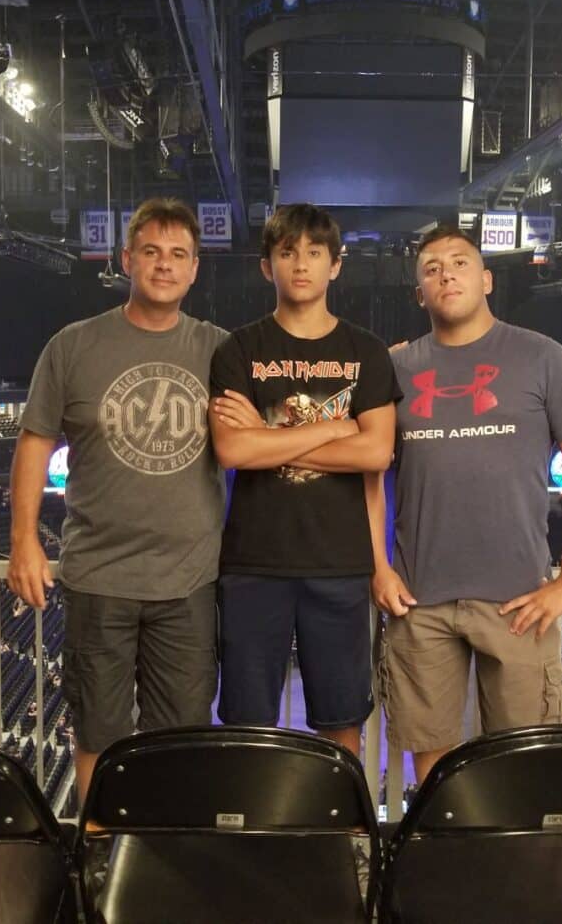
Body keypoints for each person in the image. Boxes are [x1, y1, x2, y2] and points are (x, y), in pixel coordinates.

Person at [372, 226, 562, 783]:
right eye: (431, 268)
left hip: (517, 601)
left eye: (459, 263)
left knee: (520, 764)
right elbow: (368, 474)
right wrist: (379, 567)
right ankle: (443, 858)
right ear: (419, 294)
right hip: (419, 599)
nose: (445, 274)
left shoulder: (540, 357)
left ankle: (510, 866)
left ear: (485, 281)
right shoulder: (396, 367)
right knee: (429, 763)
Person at [8, 198, 226, 802]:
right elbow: (33, 444)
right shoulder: (73, 346)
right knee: (98, 735)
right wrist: (23, 540)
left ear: (194, 269)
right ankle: (101, 857)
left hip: (187, 582)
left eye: (178, 255)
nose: (164, 266)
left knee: (180, 738)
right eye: (151, 252)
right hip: (98, 577)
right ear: (126, 258)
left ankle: (167, 856)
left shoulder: (219, 349)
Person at [208, 203, 399, 757]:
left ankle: (338, 839)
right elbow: (233, 450)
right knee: (248, 725)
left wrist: (273, 442)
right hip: (252, 566)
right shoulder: (239, 349)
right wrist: (335, 426)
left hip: (339, 566)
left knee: (341, 725)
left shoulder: (365, 351)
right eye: (287, 252)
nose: (301, 264)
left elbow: (378, 452)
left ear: (335, 266)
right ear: (267, 266)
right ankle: (254, 837)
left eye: (315, 253)